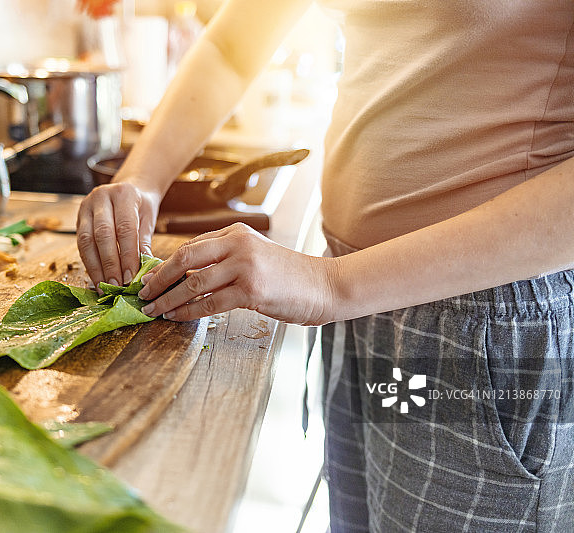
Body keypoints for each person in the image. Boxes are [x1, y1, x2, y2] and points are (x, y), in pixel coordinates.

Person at [76, 0, 574, 531]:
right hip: (362, 307)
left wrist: (330, 284)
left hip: (483, 329)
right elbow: (232, 47)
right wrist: (144, 177)